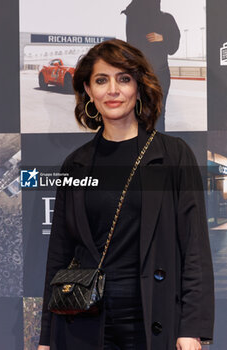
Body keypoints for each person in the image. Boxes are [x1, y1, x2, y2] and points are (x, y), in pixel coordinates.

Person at [38, 39, 214, 350]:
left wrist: (192, 329)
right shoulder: (76, 165)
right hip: (84, 322)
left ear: (138, 87)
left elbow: (195, 250)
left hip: (151, 322)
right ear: (89, 92)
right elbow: (59, 255)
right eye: (101, 80)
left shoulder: (173, 155)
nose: (113, 90)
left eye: (123, 79)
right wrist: (46, 338)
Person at [122, 0, 180, 131]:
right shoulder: (133, 18)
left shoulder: (166, 19)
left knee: (159, 112)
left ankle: (156, 147)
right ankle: (142, 147)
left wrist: (163, 38)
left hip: (161, 74)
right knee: (140, 112)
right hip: (140, 75)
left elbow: (173, 47)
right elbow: (131, 47)